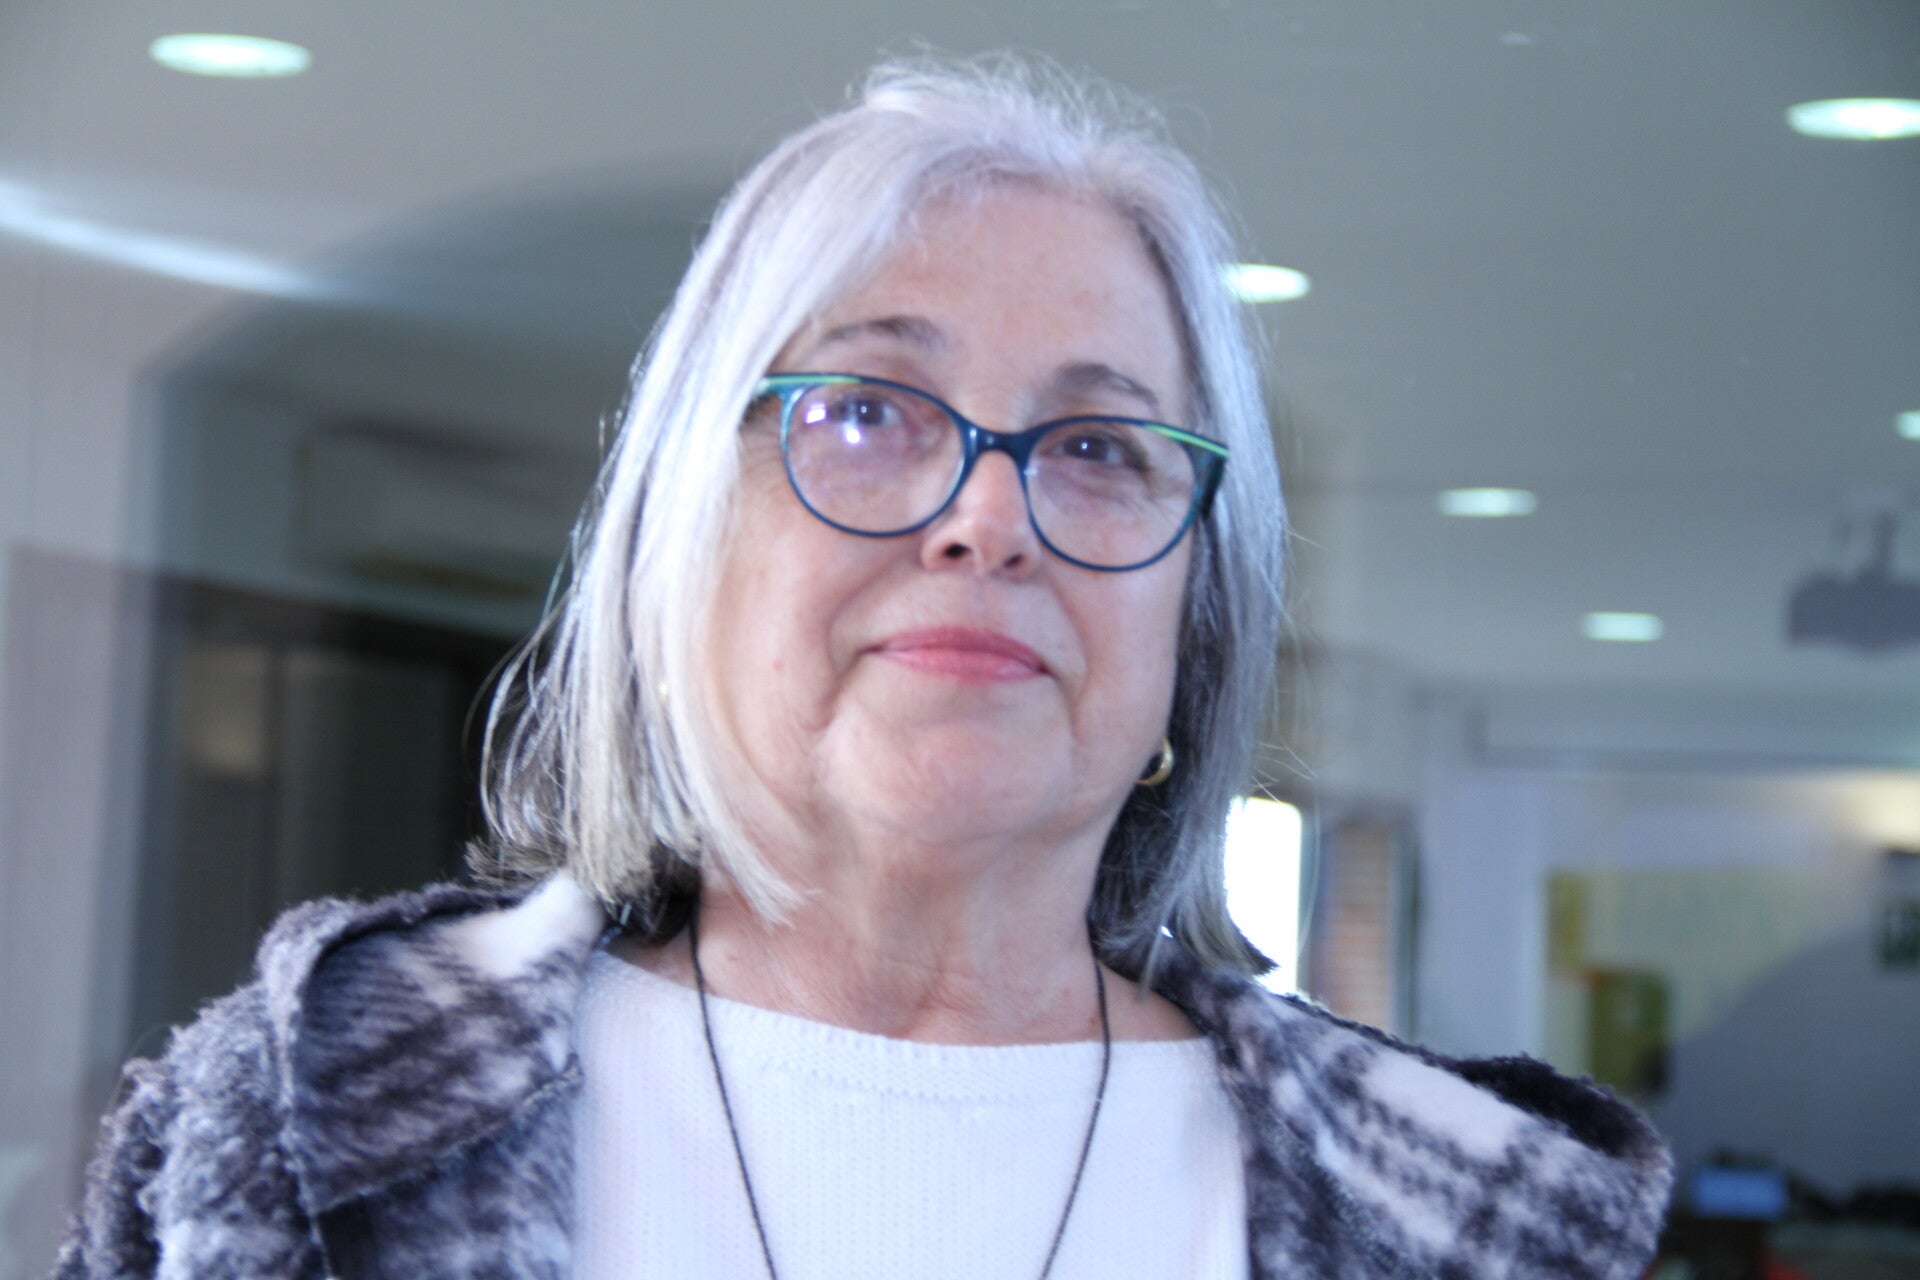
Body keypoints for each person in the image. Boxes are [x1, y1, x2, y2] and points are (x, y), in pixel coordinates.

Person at [53, 57, 1671, 1280]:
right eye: (865, 412)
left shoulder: (1472, 1218)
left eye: (1099, 447)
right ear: (689, 538)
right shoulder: (292, 1117)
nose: (988, 519)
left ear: (1194, 626)